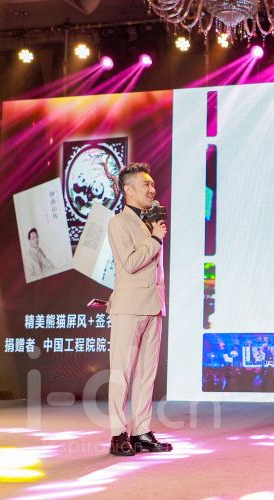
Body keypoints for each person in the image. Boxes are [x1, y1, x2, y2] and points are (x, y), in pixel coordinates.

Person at [106, 162, 172, 457]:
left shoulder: (150, 221)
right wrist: (155, 238)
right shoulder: (119, 223)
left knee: (147, 373)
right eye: (146, 184)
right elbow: (131, 263)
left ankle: (141, 431)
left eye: (153, 184)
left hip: (154, 305)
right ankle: (118, 433)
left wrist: (153, 234)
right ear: (128, 190)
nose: (152, 189)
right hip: (129, 307)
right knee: (121, 372)